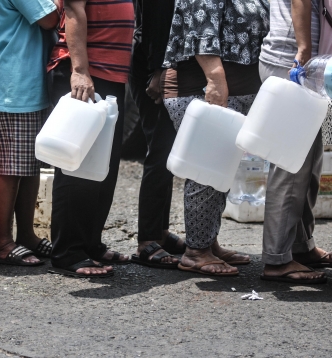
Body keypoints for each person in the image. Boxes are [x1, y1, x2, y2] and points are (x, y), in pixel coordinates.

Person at [161, 0, 269, 275]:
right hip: (203, 89)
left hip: (232, 91)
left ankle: (207, 241)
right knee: (206, 172)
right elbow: (201, 29)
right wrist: (215, 79)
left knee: (221, 172)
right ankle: (196, 252)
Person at [46, 0, 135, 278]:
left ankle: (89, 244)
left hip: (111, 75)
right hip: (87, 74)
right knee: (77, 167)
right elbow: (73, 9)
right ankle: (67, 251)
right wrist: (80, 70)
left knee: (102, 168)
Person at [259, 0, 330, 284]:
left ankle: (301, 246)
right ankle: (277, 260)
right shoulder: (300, 56)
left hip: (299, 62)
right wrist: (304, 52)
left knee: (309, 161)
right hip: (293, 62)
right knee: (290, 167)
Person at [0, 0, 59, 266]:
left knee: (30, 168)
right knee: (12, 169)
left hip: (26, 86)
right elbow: (50, 18)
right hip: (14, 87)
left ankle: (27, 235)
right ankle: (3, 243)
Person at [129, 0, 184, 269]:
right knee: (160, 148)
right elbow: (155, 19)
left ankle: (160, 231)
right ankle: (147, 239)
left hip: (165, 61)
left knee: (168, 148)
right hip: (152, 63)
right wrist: (158, 71)